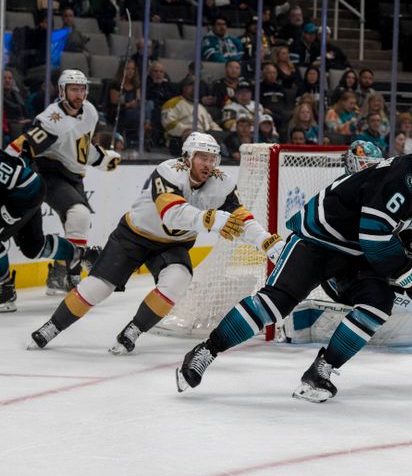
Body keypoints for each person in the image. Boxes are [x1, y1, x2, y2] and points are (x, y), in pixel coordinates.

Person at [175, 125, 412, 401]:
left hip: (355, 249)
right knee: (274, 304)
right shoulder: (398, 179)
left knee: (377, 304)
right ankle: (205, 351)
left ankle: (320, 372)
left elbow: (390, 227)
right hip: (317, 240)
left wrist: (408, 241)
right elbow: (375, 242)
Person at [28, 133, 284, 353]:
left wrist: (266, 242)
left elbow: (241, 218)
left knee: (177, 282)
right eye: (201, 157)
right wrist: (210, 218)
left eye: (211, 158)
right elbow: (171, 214)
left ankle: (133, 330)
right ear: (187, 157)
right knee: (98, 288)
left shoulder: (222, 183)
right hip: (133, 236)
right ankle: (53, 325)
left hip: (173, 245)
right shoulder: (168, 171)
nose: (207, 164)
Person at [6, 70, 120, 294]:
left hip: (74, 175)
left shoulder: (89, 111)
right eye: (73, 89)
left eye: (82, 89)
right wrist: (5, 163)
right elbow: (24, 145)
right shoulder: (51, 120)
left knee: (77, 221)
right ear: (62, 91)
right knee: (80, 214)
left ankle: (60, 275)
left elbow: (80, 147)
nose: (79, 94)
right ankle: (70, 275)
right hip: (49, 173)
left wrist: (101, 158)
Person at [0, 151, 99, 312]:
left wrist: (9, 214)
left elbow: (29, 182)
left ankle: (4, 291)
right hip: (19, 190)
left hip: (28, 190)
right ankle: (80, 254)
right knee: (33, 247)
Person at [161, 77, 223, 154]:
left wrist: (219, 132)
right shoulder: (173, 103)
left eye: (196, 86)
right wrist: (186, 130)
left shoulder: (201, 107)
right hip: (180, 140)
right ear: (184, 88)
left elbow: (211, 124)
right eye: (191, 85)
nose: (194, 88)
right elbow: (168, 123)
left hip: (204, 141)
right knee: (191, 135)